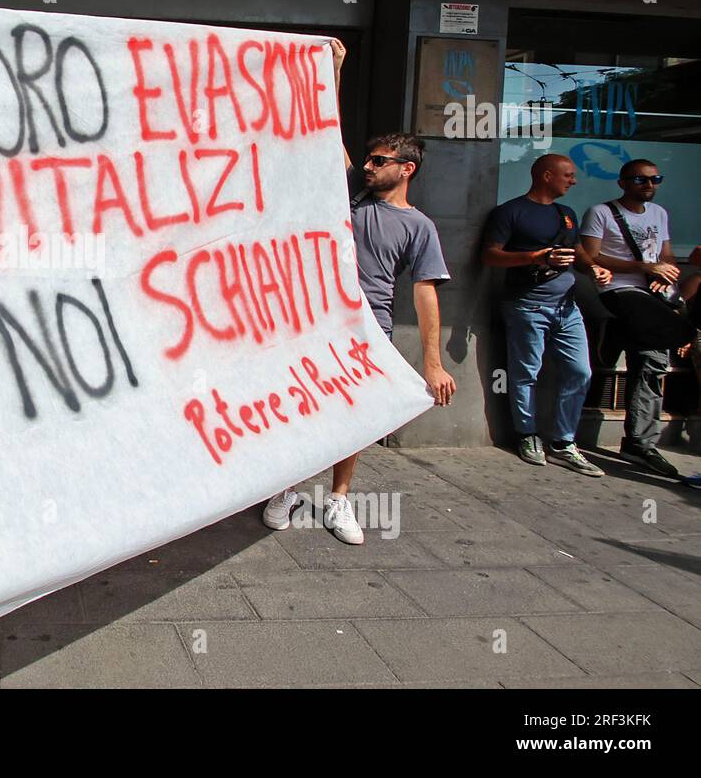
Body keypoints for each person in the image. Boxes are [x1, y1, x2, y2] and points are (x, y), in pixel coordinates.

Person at [264, 40, 456, 545]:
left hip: (369, 327)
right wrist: (333, 70)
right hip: (312, 318)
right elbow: (329, 133)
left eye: (379, 160)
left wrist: (431, 363)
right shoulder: (348, 191)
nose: (368, 166)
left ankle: (339, 499)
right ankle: (284, 488)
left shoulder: (419, 227)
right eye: (367, 158)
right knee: (297, 406)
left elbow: (426, 294)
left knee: (354, 417)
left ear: (405, 168)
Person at [480, 154, 612, 476]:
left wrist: (593, 267)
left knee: (581, 371)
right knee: (526, 373)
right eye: (568, 175)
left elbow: (577, 251)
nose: (574, 180)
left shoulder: (566, 214)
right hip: (527, 305)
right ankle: (527, 434)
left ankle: (564, 441)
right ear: (547, 175)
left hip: (568, 307)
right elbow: (490, 256)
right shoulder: (510, 212)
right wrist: (535, 257)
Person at [580, 159, 701, 477]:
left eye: (655, 179)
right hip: (618, 291)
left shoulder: (660, 214)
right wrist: (643, 268)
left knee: (653, 359)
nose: (649, 185)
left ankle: (640, 442)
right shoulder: (602, 212)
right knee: (655, 354)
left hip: (653, 295)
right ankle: (640, 443)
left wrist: (667, 273)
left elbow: (667, 255)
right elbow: (591, 255)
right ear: (623, 183)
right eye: (641, 180)